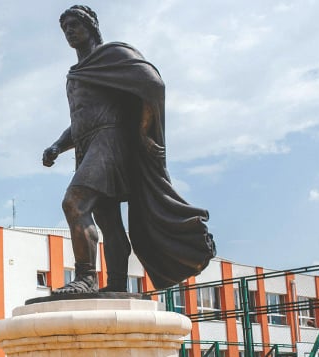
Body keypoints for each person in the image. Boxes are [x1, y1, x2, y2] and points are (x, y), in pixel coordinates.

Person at [42, 5, 215, 294]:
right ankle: (117, 284)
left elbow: (153, 84)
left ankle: (86, 278)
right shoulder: (76, 73)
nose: (69, 31)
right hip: (87, 146)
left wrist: (144, 130)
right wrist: (58, 146)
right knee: (107, 220)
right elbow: (82, 120)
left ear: (92, 26)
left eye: (74, 24)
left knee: (74, 202)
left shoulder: (113, 55)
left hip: (110, 143)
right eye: (65, 28)